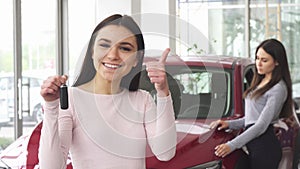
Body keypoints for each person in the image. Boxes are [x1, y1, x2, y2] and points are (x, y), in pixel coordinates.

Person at [39, 14, 177, 169]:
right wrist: (51, 106)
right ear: (92, 51)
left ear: (137, 59)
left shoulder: (142, 99)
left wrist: (163, 91)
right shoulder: (71, 99)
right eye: (104, 45)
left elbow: (165, 153)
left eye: (125, 48)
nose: (112, 55)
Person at [210, 38, 293, 169]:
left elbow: (260, 125)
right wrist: (229, 124)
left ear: (277, 62)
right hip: (255, 145)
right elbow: (251, 118)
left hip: (265, 147)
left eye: (264, 60)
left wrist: (231, 145)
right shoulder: (260, 82)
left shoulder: (277, 88)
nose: (258, 64)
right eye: (257, 58)